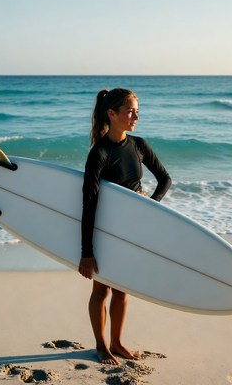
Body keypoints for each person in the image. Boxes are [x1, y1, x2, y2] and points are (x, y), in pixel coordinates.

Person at [78, 88, 171, 365]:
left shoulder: (139, 145)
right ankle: (101, 346)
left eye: (137, 111)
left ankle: (117, 342)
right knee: (101, 290)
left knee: (122, 290)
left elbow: (165, 179)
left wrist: (149, 205)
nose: (136, 116)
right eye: (130, 111)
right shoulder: (100, 154)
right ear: (112, 113)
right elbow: (89, 203)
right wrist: (87, 251)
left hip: (131, 229)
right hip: (106, 231)